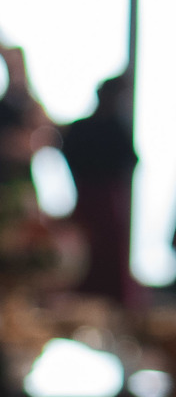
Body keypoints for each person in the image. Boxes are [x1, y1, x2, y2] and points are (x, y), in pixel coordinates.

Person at [61, 75, 139, 305]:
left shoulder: (113, 127)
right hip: (92, 202)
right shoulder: (91, 127)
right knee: (85, 259)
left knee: (107, 261)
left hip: (103, 204)